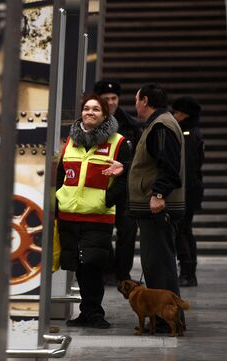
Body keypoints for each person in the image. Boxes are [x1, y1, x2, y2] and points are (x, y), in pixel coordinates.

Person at [56, 94, 131, 329]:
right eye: (86, 108)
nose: (90, 112)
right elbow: (61, 174)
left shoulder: (118, 142)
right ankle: (86, 312)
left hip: (98, 216)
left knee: (92, 264)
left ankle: (95, 312)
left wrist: (106, 200)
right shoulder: (69, 141)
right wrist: (60, 198)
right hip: (69, 215)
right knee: (78, 265)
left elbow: (124, 180)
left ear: (105, 115)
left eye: (96, 109)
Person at [129, 83, 185, 332]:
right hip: (153, 207)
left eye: (137, 98)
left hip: (158, 208)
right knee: (157, 263)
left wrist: (159, 193)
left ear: (146, 100)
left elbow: (168, 164)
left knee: (160, 264)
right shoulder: (159, 122)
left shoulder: (161, 124)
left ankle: (166, 320)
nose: (135, 103)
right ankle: (167, 319)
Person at [94, 80, 142, 284]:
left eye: (114, 98)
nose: (111, 102)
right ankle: (107, 269)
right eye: (107, 99)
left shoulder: (131, 124)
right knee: (102, 230)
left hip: (126, 187)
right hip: (100, 185)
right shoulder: (91, 122)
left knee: (128, 232)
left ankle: (123, 274)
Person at [171, 96, 204, 287]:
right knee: (185, 230)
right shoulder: (192, 132)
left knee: (182, 231)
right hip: (190, 189)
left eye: (176, 112)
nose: (174, 115)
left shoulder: (188, 135)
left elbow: (188, 167)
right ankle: (188, 270)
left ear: (184, 115)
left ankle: (187, 272)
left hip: (187, 191)